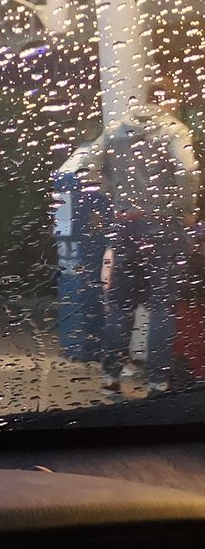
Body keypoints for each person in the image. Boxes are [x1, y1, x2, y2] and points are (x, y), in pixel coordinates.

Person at [100, 82, 200, 395]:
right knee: (162, 306)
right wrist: (187, 210)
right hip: (163, 224)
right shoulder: (174, 129)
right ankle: (157, 382)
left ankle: (110, 380)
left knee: (119, 304)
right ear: (167, 101)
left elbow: (93, 166)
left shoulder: (116, 130)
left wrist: (116, 198)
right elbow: (187, 171)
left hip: (125, 224)